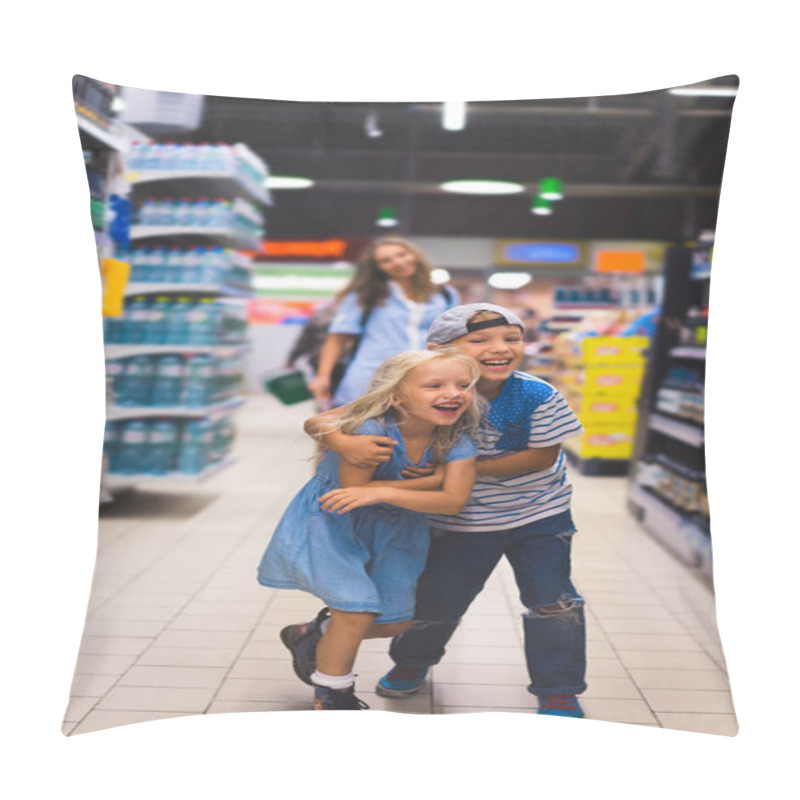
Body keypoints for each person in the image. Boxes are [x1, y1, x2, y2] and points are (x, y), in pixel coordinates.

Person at [302, 303, 588, 718]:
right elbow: (323, 421)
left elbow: (540, 457)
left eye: (512, 338)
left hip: (538, 515)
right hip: (458, 522)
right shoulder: (424, 388)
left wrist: (455, 470)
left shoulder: (536, 395)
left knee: (553, 602)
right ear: (440, 349)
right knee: (438, 602)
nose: (500, 349)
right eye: (480, 341)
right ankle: (412, 661)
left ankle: (558, 688)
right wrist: (343, 442)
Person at [257, 349, 480, 710]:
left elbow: (454, 500)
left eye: (463, 385)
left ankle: (312, 635)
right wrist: (431, 482)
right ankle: (332, 696)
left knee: (394, 622)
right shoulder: (370, 430)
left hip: (399, 531)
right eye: (435, 385)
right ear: (396, 396)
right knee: (356, 612)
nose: (453, 393)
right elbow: (353, 493)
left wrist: (390, 489)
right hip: (335, 525)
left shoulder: (456, 439)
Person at [307, 237, 458, 409]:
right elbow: (338, 338)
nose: (398, 262)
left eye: (401, 254)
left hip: (427, 377)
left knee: (418, 431)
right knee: (363, 431)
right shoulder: (365, 294)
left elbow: (454, 336)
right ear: (377, 268)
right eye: (386, 261)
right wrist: (322, 377)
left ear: (414, 255)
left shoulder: (445, 294)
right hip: (371, 377)